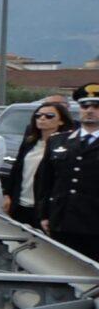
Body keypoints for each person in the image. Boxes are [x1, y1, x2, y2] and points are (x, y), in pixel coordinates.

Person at [44, 97, 99, 261]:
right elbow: (45, 180)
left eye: (96, 107)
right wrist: (44, 214)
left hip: (95, 222)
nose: (89, 110)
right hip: (62, 219)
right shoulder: (58, 140)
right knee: (62, 270)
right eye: (85, 106)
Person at [6, 99, 71, 226]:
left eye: (49, 116)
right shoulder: (30, 142)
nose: (42, 118)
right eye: (38, 115)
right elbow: (16, 171)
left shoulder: (67, 146)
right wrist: (7, 194)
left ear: (61, 120)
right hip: (21, 204)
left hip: (46, 209)